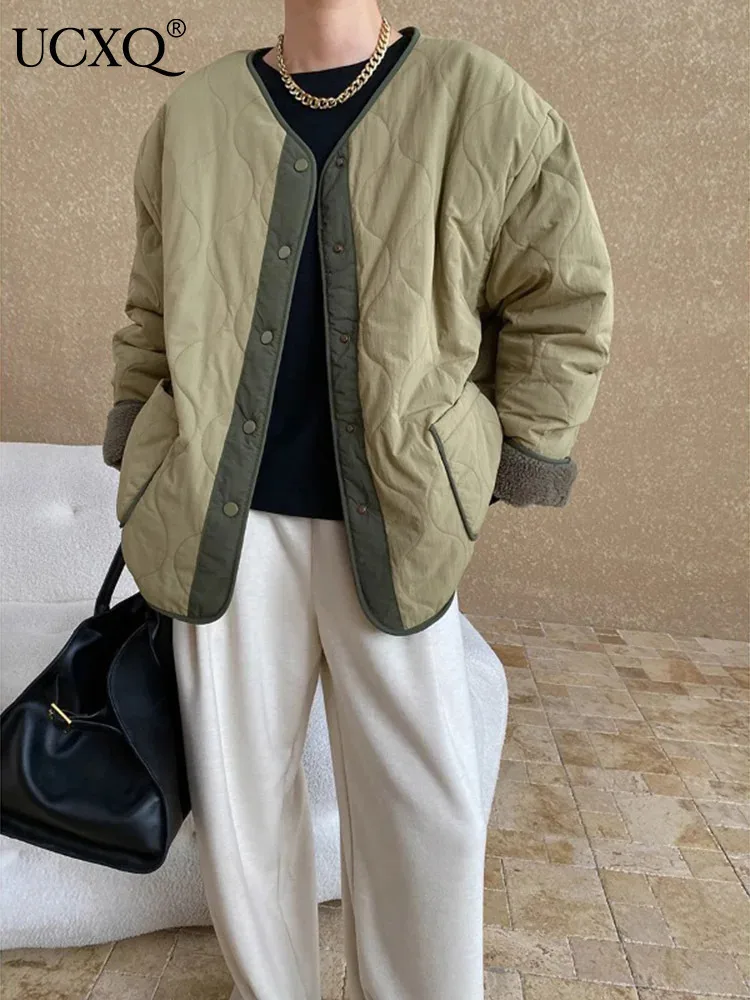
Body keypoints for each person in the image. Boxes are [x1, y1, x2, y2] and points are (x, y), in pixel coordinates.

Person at [102, 4, 614, 998]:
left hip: (399, 510)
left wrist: (522, 448)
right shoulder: (194, 114)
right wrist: (137, 432)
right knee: (240, 807)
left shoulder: (480, 100)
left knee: (427, 806)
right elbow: (152, 306)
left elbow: (564, 292)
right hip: (223, 516)